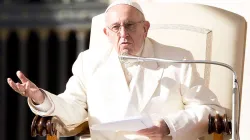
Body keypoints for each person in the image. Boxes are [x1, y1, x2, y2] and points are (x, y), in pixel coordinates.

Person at [7, 0, 224, 140]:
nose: (123, 34)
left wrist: (169, 125)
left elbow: (210, 109)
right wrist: (41, 98)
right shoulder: (89, 61)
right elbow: (73, 109)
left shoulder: (178, 58)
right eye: (115, 27)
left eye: (130, 25)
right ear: (106, 33)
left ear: (145, 28)